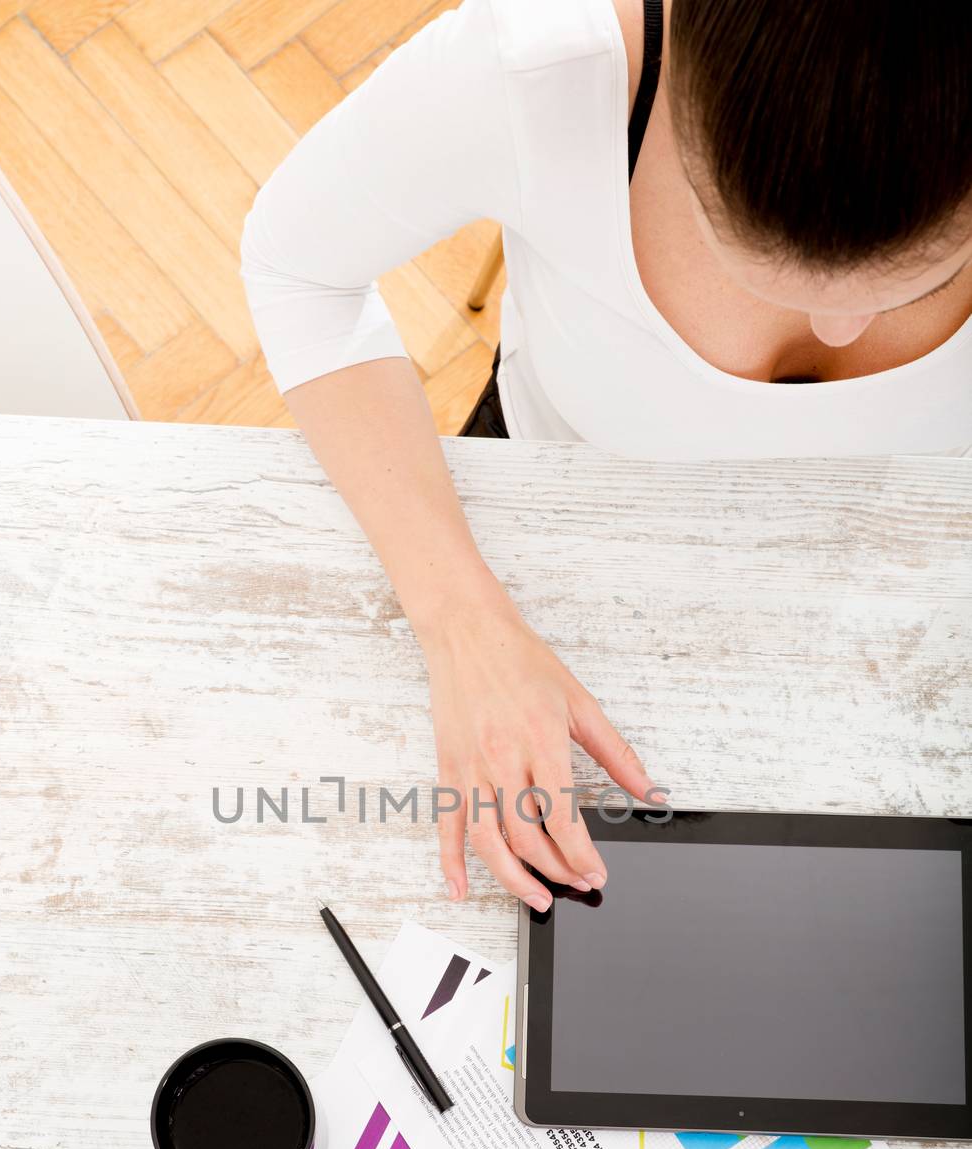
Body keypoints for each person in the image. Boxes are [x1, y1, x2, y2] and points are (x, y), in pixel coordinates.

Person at [241, 0, 972, 912]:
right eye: (738, 247)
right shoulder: (536, 65)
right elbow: (296, 269)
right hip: (530, 554)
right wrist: (460, 623)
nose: (837, 328)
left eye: (929, 278)